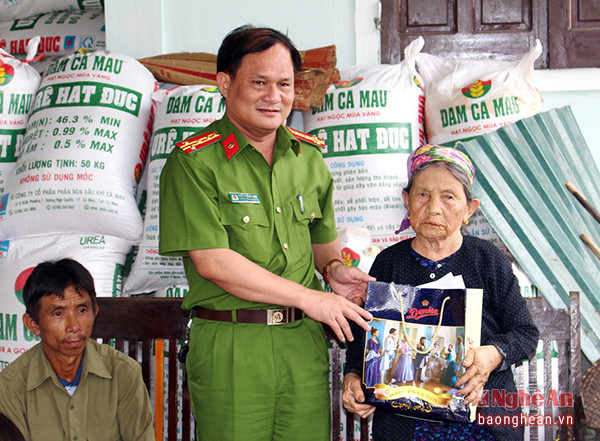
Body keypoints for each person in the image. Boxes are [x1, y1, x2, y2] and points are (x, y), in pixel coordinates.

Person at [158, 25, 373, 441]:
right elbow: (214, 262)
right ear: (225, 83)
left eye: (284, 84)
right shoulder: (194, 162)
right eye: (259, 83)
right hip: (233, 345)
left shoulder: (308, 158)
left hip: (302, 345)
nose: (274, 97)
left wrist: (332, 270)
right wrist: (311, 297)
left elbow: (319, 242)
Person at [341, 145, 539, 441]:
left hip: (482, 423)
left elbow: (525, 333)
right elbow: (365, 340)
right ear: (406, 201)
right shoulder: (389, 263)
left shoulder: (487, 259)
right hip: (404, 425)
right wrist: (354, 378)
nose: (434, 207)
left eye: (449, 197)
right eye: (422, 195)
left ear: (469, 209)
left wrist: (491, 356)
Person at [0, 259, 154, 441]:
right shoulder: (11, 387)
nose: (74, 326)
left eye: (82, 310)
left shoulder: (123, 373)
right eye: (58, 313)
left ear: (94, 312)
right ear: (33, 324)